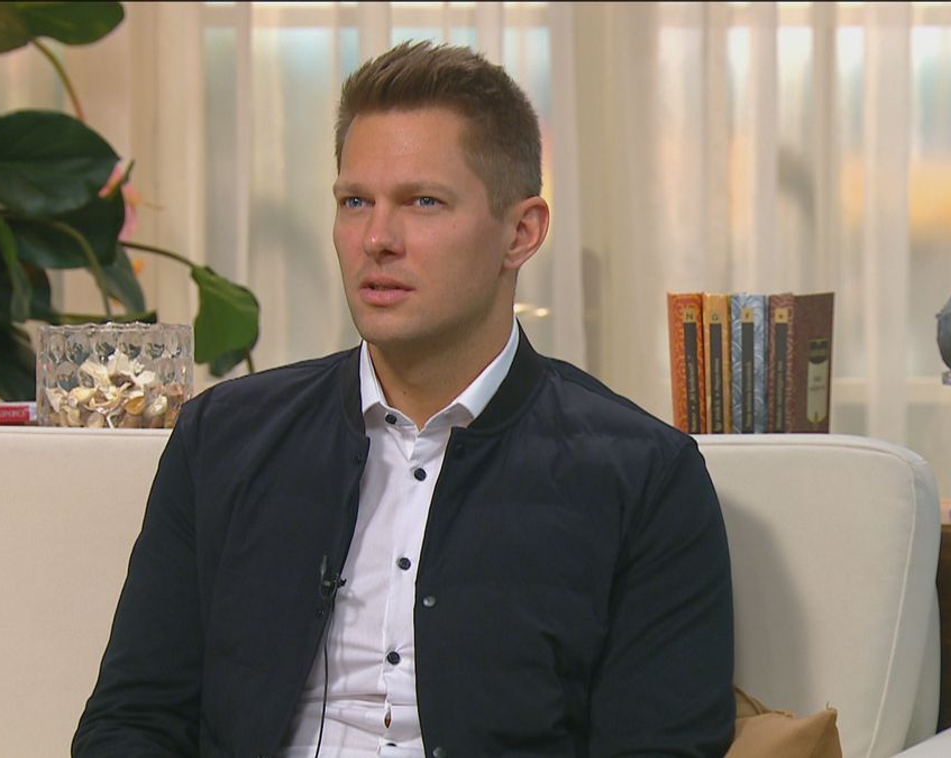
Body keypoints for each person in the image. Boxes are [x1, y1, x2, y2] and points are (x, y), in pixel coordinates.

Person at [73, 41, 734, 758]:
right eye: (355, 201)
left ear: (521, 233)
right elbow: (133, 720)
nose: (377, 239)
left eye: (423, 202)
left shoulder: (643, 476)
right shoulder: (224, 437)